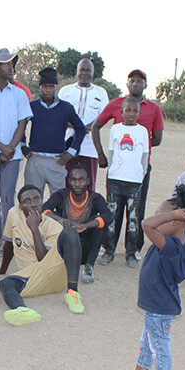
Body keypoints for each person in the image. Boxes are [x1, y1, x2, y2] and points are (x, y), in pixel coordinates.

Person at [112, 186, 185, 370]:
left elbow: (147, 224)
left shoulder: (170, 246)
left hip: (159, 307)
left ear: (177, 221)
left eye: (162, 215)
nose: (157, 219)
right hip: (156, 306)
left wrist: (174, 214)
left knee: (159, 347)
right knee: (147, 342)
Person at [0, 185, 84, 326]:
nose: (33, 204)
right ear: (20, 206)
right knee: (4, 283)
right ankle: (23, 311)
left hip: (53, 275)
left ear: (42, 201)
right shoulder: (13, 213)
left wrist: (34, 228)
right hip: (32, 278)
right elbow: (8, 244)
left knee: (70, 232)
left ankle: (72, 293)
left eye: (36, 199)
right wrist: (3, 269)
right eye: (27, 201)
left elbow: (44, 260)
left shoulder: (53, 226)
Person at [93, 69, 164, 255]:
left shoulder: (154, 109)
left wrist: (137, 153)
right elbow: (96, 125)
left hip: (139, 169)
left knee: (136, 210)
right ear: (127, 83)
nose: (135, 84)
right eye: (132, 80)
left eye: (139, 81)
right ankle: (108, 247)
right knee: (113, 209)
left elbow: (156, 139)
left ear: (145, 85)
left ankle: (134, 249)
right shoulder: (116, 104)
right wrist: (101, 154)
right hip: (117, 170)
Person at [0, 48, 32, 253]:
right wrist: (1, 148)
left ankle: (8, 238)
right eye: (6, 63)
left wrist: (10, 149)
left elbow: (22, 124)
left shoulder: (19, 94)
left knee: (8, 196)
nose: (11, 67)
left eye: (11, 63)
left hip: (13, 155)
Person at [98, 97, 149, 268]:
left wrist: (140, 176)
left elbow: (144, 156)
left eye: (135, 111)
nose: (131, 114)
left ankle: (131, 253)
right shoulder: (115, 129)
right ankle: (109, 250)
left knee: (133, 219)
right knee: (112, 216)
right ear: (121, 112)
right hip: (115, 180)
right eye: (128, 110)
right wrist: (113, 170)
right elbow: (112, 152)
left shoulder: (142, 131)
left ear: (139, 113)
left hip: (134, 181)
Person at [42, 164, 113, 283]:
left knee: (98, 223)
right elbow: (44, 210)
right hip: (65, 246)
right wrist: (60, 220)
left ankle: (89, 266)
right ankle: (57, 265)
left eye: (81, 180)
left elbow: (108, 216)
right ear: (69, 181)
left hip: (85, 248)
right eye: (74, 179)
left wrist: (86, 226)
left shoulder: (95, 198)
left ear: (88, 181)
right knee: (51, 219)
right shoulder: (61, 195)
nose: (77, 184)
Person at [23, 67, 86, 196]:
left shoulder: (66, 108)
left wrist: (71, 152)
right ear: (40, 87)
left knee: (59, 200)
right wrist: (23, 145)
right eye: (45, 86)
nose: (48, 89)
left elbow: (81, 129)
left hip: (57, 161)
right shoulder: (32, 106)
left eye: (51, 86)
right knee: (33, 198)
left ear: (56, 87)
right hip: (35, 159)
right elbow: (20, 126)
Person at [58, 58, 109, 189]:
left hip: (90, 147)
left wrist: (88, 127)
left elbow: (103, 116)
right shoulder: (65, 91)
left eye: (88, 70)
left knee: (88, 184)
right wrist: (78, 127)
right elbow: (59, 114)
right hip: (67, 146)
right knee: (66, 183)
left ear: (93, 72)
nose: (85, 73)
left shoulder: (101, 92)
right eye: (82, 70)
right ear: (77, 71)